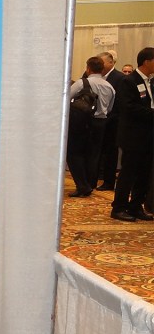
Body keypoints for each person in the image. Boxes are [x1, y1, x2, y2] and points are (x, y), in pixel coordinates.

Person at [110, 47, 154, 222]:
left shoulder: (150, 82)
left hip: (148, 136)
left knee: (144, 174)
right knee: (128, 173)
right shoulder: (129, 81)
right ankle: (119, 208)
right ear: (146, 61)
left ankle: (136, 206)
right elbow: (129, 108)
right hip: (133, 136)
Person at [66, 56, 115, 197]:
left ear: (88, 68)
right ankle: (89, 183)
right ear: (102, 69)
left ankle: (82, 185)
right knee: (93, 154)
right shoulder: (109, 86)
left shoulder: (82, 83)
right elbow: (110, 108)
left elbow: (66, 98)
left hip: (81, 121)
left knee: (74, 153)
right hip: (101, 123)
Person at [96, 51, 124, 190]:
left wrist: (108, 118)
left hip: (113, 122)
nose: (100, 65)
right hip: (97, 121)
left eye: (102, 62)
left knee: (110, 153)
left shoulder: (120, 78)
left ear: (111, 62)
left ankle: (108, 181)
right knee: (97, 151)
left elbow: (120, 103)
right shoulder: (96, 76)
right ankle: (93, 178)